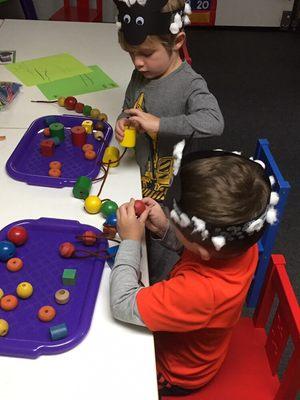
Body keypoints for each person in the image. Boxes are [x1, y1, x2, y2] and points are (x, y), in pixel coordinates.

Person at [110, 146, 279, 396]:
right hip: (197, 340)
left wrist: (130, 241)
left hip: (173, 372)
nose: (171, 208)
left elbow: (122, 304)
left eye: (177, 214)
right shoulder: (240, 243)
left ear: (202, 250)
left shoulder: (199, 291)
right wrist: (167, 228)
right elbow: (197, 252)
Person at [113, 0, 224, 283]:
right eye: (132, 54)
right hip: (137, 177)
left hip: (171, 194)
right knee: (131, 241)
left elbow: (214, 122)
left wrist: (159, 124)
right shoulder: (140, 73)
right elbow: (131, 104)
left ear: (178, 41)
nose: (138, 62)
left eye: (147, 54)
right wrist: (123, 119)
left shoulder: (190, 83)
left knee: (160, 258)